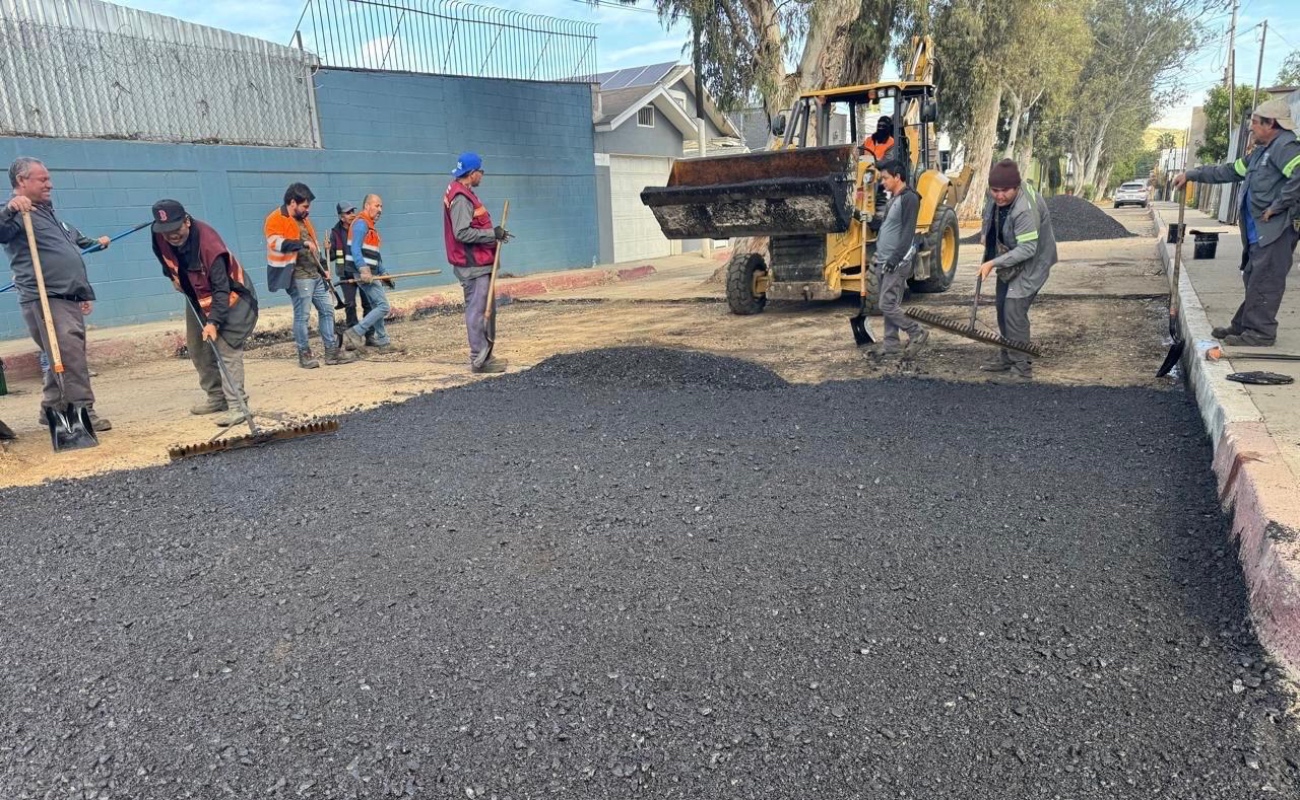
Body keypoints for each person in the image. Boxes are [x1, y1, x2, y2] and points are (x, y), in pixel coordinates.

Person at [1174, 98, 1300, 347]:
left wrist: (1278, 206)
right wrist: (1192, 174)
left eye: (1255, 122)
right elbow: (1229, 171)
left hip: (1276, 230)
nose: (1251, 127)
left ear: (1270, 123)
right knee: (1254, 276)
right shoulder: (1262, 152)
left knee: (1266, 279)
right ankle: (1244, 325)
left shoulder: (1285, 147)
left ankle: (1261, 333)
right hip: (1258, 232)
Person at [0, 157, 112, 431]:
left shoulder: (48, 215)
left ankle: (51, 407)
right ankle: (83, 411)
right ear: (21, 181)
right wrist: (10, 209)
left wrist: (96, 246)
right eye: (42, 179)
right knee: (69, 357)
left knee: (60, 355)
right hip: (44, 298)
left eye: (48, 178)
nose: (49, 184)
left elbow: (74, 243)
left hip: (67, 297)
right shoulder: (17, 213)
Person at [150, 200, 259, 427]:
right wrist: (172, 278)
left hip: (232, 296)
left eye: (176, 229)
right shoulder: (159, 234)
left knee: (226, 347)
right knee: (197, 347)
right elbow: (163, 256)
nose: (171, 236)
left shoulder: (209, 245)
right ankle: (217, 397)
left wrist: (213, 322)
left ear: (187, 221)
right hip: (197, 295)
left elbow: (221, 289)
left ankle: (238, 406)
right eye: (166, 231)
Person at [975, 158, 1057, 382]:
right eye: (995, 190)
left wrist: (993, 263)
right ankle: (1007, 356)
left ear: (1016, 187)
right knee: (1002, 306)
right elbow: (991, 216)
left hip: (1033, 262)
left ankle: (1022, 368)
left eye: (1005, 191)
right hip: (1010, 258)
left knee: (1013, 310)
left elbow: (1028, 249)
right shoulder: (996, 198)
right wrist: (988, 241)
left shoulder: (1024, 209)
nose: (999, 195)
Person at [264, 182, 354, 368]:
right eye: (305, 206)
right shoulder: (275, 219)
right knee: (302, 316)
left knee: (327, 310)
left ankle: (331, 353)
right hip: (297, 276)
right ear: (292, 202)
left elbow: (315, 246)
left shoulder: (304, 220)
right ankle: (304, 355)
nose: (308, 209)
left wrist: (324, 267)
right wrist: (302, 244)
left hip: (315, 274)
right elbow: (276, 243)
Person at [443, 152, 512, 373]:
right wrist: (492, 234)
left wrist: (496, 234)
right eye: (480, 171)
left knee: (483, 309)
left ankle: (485, 356)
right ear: (472, 173)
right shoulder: (461, 198)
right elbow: (461, 233)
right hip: (472, 264)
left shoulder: (463, 192)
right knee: (478, 310)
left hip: (478, 262)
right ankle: (479, 359)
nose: (482, 175)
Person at [870, 159, 927, 359]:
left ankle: (916, 331)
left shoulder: (910, 198)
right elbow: (886, 226)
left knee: (886, 304)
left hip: (896, 261)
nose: (882, 182)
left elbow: (907, 233)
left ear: (897, 177)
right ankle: (891, 344)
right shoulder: (894, 199)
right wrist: (864, 217)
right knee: (889, 303)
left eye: (885, 178)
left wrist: (895, 258)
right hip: (883, 259)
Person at [340, 194, 402, 354]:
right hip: (364, 273)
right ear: (367, 206)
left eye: (381, 206)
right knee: (383, 306)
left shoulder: (369, 226)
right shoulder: (361, 224)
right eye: (376, 205)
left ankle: (383, 341)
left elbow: (374, 254)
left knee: (376, 306)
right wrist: (363, 268)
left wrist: (383, 273)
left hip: (370, 272)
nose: (380, 209)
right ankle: (355, 332)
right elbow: (355, 249)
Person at [328, 200, 374, 344]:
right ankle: (353, 338)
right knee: (350, 304)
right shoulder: (335, 233)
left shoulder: (359, 227)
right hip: (345, 273)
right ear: (341, 217)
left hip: (360, 271)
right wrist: (328, 249)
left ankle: (370, 336)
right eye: (348, 213)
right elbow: (332, 256)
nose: (352, 214)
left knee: (368, 303)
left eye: (353, 211)